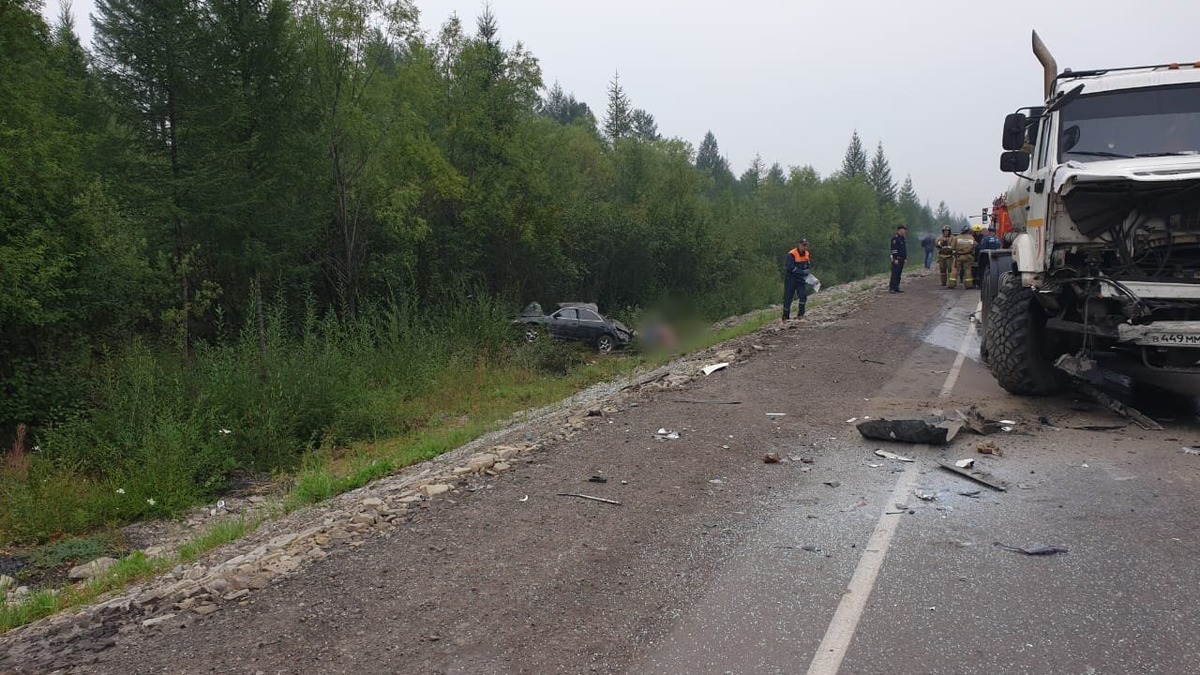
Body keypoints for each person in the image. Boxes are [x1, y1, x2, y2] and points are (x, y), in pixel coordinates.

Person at [783, 238, 812, 320]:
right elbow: (790, 268)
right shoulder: (792, 254)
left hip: (800, 279)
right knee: (788, 298)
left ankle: (801, 315)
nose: (805, 247)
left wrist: (808, 272)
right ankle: (785, 317)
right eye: (803, 245)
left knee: (803, 296)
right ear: (799, 245)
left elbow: (808, 265)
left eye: (806, 245)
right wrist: (802, 272)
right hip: (791, 278)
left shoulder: (807, 254)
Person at [947, 225, 977, 289]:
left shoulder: (957, 238)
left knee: (955, 270)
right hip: (968, 257)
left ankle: (951, 285)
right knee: (968, 270)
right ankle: (969, 285)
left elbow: (952, 247)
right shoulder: (971, 238)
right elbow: (974, 247)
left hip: (958, 257)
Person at [889, 225, 907, 293]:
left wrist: (905, 257)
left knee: (899, 274)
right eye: (903, 230)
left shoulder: (902, 238)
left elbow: (904, 249)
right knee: (895, 273)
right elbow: (894, 249)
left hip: (902, 259)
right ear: (899, 230)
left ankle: (897, 287)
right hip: (897, 259)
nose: (904, 231)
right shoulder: (895, 239)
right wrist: (895, 258)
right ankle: (892, 288)